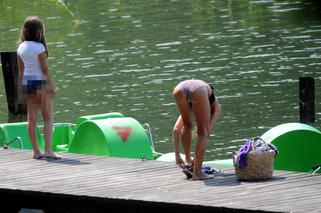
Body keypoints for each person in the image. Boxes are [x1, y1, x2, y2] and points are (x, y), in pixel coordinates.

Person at [17, 16, 61, 159]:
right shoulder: (39, 47)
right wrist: (52, 85)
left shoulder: (21, 47)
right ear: (39, 31)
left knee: (32, 120)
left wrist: (21, 89)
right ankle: (48, 150)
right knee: (48, 118)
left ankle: (36, 152)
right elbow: (44, 69)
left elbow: (21, 71)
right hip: (40, 84)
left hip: (28, 84)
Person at [172, 79, 221, 180]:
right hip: (199, 90)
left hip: (179, 89)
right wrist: (197, 159)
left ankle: (188, 162)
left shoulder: (190, 105)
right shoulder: (215, 106)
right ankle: (197, 173)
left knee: (187, 125)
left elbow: (176, 130)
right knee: (202, 133)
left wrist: (177, 155)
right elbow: (206, 134)